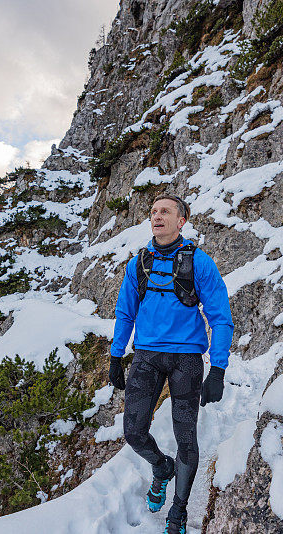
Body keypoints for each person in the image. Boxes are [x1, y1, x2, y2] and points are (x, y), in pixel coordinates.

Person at [108, 194, 234, 534]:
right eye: (153, 212)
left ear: (182, 221)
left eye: (165, 211)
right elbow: (125, 312)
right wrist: (116, 355)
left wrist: (218, 369)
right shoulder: (139, 264)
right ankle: (162, 468)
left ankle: (177, 512)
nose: (156, 216)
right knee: (133, 433)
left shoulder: (200, 263)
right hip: (146, 357)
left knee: (187, 439)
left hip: (187, 360)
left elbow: (221, 318)